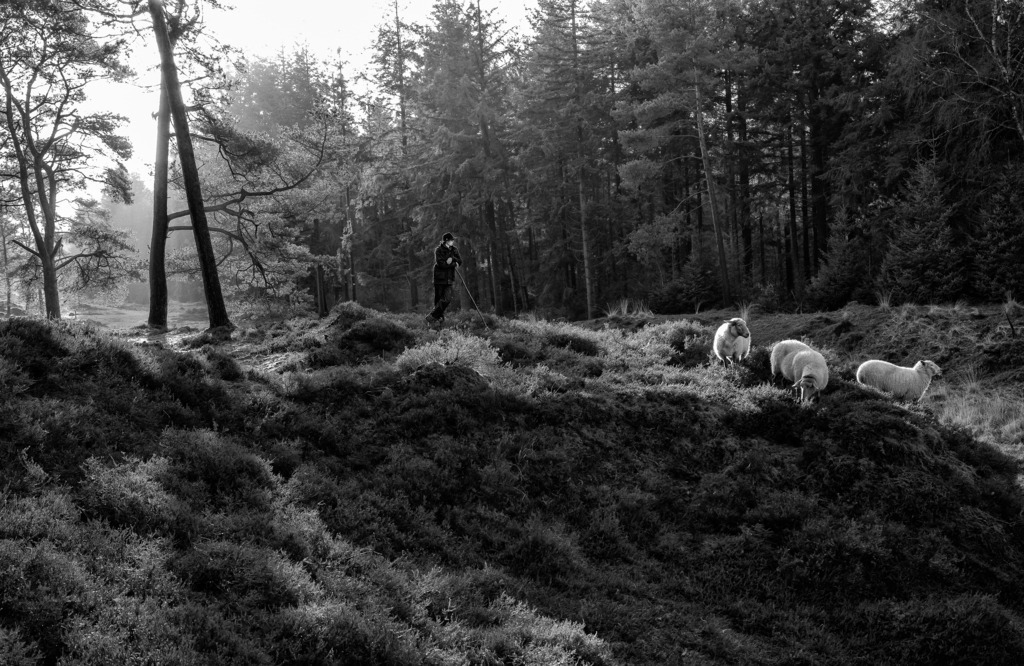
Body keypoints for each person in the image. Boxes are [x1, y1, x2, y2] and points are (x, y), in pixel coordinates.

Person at [425, 232, 462, 326]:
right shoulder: (438, 250)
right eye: (451, 240)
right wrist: (451, 263)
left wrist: (452, 260)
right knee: (438, 299)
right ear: (446, 241)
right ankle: (438, 319)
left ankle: (432, 316)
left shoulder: (455, 250)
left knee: (447, 299)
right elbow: (441, 264)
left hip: (449, 279)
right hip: (439, 278)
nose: (453, 241)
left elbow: (459, 261)